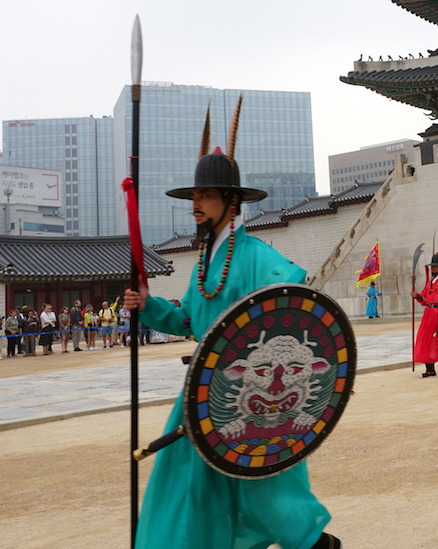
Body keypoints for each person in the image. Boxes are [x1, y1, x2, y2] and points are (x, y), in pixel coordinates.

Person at [122, 137, 339, 549]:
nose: (195, 204)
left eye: (205, 195)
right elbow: (188, 320)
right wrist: (148, 305)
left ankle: (317, 544)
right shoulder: (204, 261)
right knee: (188, 485)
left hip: (256, 397)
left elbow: (291, 296)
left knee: (264, 489)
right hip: (207, 396)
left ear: (231, 200)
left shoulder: (256, 256)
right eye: (194, 196)